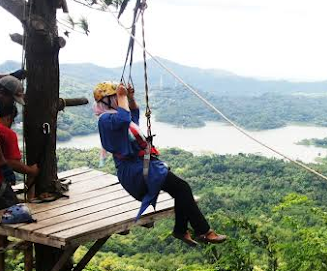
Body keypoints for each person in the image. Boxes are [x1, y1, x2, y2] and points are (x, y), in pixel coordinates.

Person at [94, 81, 227, 246]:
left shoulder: (115, 117)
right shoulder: (106, 119)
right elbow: (124, 118)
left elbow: (133, 114)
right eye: (115, 97)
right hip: (134, 169)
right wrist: (122, 96)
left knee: (181, 190)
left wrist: (130, 97)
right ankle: (202, 231)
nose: (118, 100)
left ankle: (183, 230)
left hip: (143, 165)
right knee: (182, 188)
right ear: (107, 100)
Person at [0, 104, 39, 209]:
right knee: (14, 211)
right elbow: (12, 162)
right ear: (9, 117)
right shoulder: (7, 133)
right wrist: (31, 171)